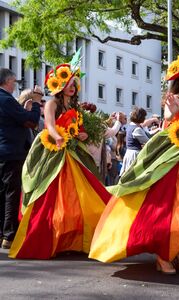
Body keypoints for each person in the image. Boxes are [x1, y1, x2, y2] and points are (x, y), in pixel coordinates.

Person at [89, 52, 179, 275]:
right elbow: (168, 118)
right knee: (166, 207)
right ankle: (164, 255)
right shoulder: (173, 100)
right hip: (170, 158)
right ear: (178, 81)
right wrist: (172, 111)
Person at [8, 52, 110, 259]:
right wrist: (58, 137)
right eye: (69, 83)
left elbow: (78, 129)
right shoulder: (51, 104)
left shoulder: (74, 107)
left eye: (75, 83)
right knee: (52, 198)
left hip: (71, 151)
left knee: (82, 196)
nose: (72, 87)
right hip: (52, 150)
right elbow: (49, 125)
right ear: (59, 84)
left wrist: (81, 135)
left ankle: (75, 239)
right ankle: (52, 239)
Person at [0, 68, 41, 249]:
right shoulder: (7, 100)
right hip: (11, 153)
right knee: (11, 194)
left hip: (4, 151)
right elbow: (31, 120)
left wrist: (23, 111)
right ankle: (9, 235)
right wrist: (38, 102)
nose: (15, 85)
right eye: (14, 82)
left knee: (2, 194)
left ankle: (3, 234)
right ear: (8, 82)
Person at [119, 107, 149, 176]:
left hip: (129, 153)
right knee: (133, 177)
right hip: (134, 155)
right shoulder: (136, 129)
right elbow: (148, 141)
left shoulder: (130, 126)